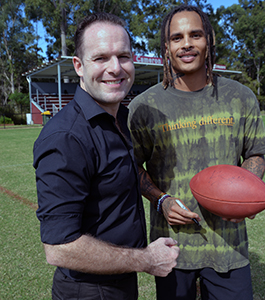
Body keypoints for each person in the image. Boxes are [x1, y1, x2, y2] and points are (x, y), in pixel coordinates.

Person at [128, 4, 265, 300]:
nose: (187, 44)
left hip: (229, 247)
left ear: (210, 39)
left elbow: (256, 153)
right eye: (176, 37)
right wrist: (162, 200)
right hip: (172, 248)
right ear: (166, 47)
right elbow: (131, 166)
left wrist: (243, 193)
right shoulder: (144, 106)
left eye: (195, 35)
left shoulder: (240, 96)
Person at [33, 12, 179, 300]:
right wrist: (147, 260)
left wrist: (161, 198)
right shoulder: (66, 137)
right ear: (78, 65)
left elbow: (124, 174)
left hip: (120, 282)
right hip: (88, 290)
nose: (115, 68)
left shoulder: (120, 118)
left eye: (123, 56)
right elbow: (59, 247)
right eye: (100, 58)